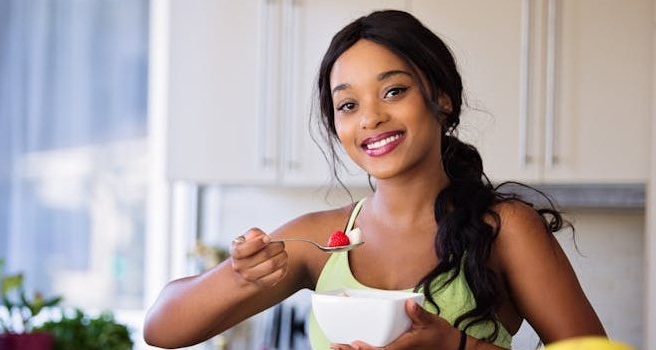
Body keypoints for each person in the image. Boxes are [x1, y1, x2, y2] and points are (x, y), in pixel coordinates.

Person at [144, 9, 606, 350]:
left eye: (394, 91)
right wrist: (240, 275)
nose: (371, 118)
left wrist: (454, 346)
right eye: (348, 105)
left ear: (440, 98)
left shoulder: (503, 229)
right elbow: (162, 329)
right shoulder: (320, 242)